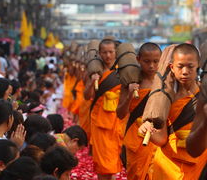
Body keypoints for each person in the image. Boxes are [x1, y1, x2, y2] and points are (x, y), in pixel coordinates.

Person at [139, 43, 207, 179]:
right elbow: (162, 139)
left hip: (198, 163)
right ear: (172, 67)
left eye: (190, 66)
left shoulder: (204, 94)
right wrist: (146, 130)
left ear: (198, 66)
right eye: (180, 66)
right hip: (168, 165)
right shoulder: (164, 98)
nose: (185, 71)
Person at [116, 42, 161, 180]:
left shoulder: (165, 82)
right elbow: (120, 113)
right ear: (138, 59)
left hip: (158, 139)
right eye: (147, 61)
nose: (151, 66)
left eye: (155, 61)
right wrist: (130, 94)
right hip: (136, 140)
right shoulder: (131, 81)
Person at [84, 37, 122, 180]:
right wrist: (92, 81)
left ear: (115, 52)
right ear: (99, 53)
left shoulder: (123, 71)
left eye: (111, 52)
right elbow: (87, 96)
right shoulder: (96, 71)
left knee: (113, 161)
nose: (108, 56)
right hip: (100, 123)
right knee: (102, 162)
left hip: (117, 121)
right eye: (104, 52)